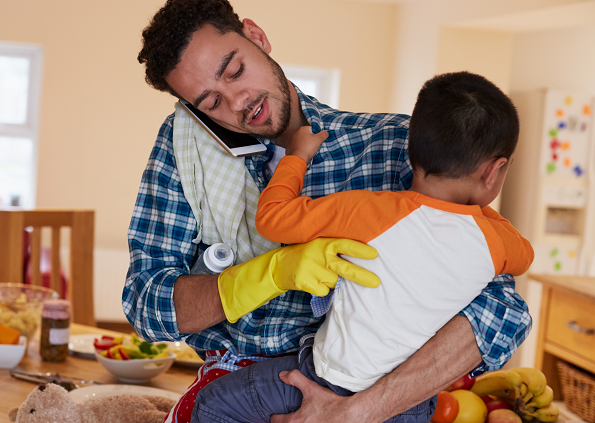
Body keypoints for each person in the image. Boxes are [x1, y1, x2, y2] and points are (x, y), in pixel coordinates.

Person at [125, 1, 532, 422]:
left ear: (257, 37)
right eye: (212, 102)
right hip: (243, 387)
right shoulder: (189, 154)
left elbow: (501, 310)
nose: (239, 101)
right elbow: (146, 305)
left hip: (371, 397)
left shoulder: (391, 146)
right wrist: (268, 274)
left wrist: (355, 412)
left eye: (236, 70)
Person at [190, 71, 534, 422]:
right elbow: (525, 255)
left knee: (212, 404)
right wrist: (473, 213)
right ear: (494, 171)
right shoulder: (496, 242)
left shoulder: (368, 210)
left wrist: (298, 155)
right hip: (410, 407)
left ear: (412, 149)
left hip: (327, 377)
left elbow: (273, 217)